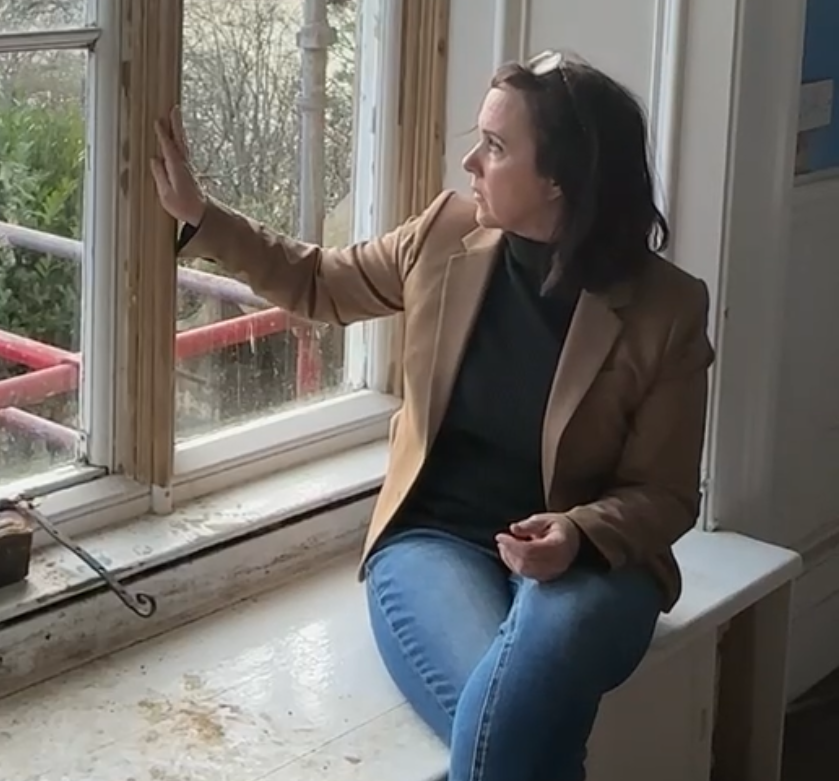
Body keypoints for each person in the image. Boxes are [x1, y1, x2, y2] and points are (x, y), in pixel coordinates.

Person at [150, 50, 714, 781]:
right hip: (435, 541)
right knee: (524, 732)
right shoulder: (444, 234)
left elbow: (667, 495)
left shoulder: (666, 308)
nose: (471, 161)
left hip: (595, 567)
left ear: (559, 182)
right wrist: (201, 217)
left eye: (497, 147)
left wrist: (576, 532)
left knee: (535, 681)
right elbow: (321, 283)